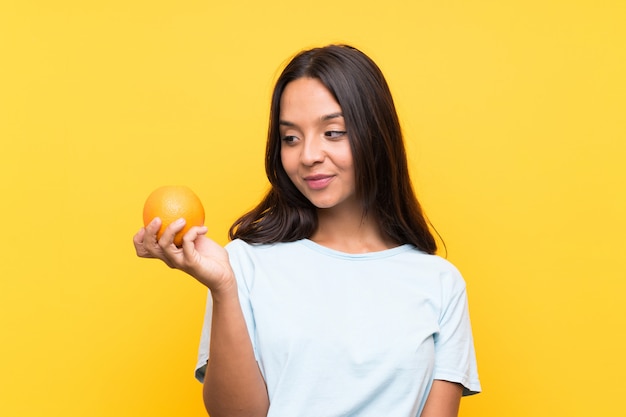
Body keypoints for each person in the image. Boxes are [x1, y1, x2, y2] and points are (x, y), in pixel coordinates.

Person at [134, 44, 481, 417]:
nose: (308, 155)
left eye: (333, 132)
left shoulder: (440, 284)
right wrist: (224, 288)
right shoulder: (242, 265)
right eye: (291, 138)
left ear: (376, 134)